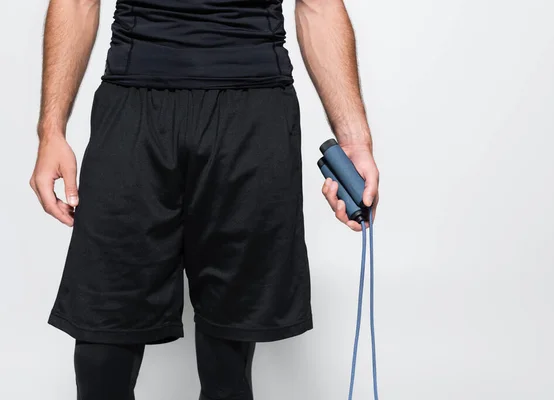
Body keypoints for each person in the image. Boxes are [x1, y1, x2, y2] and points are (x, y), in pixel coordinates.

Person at [30, 0, 380, 398]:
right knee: (102, 344)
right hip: (133, 106)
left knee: (229, 359)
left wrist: (353, 139)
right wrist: (50, 131)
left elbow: (317, 6)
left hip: (252, 110)